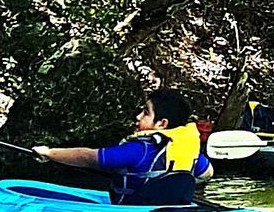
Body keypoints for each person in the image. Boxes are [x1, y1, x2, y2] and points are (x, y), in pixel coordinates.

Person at [34, 88, 213, 205]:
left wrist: (50, 153)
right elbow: (207, 173)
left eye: (145, 112)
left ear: (161, 124)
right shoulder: (188, 151)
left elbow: (90, 158)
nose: (137, 116)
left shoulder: (140, 149)